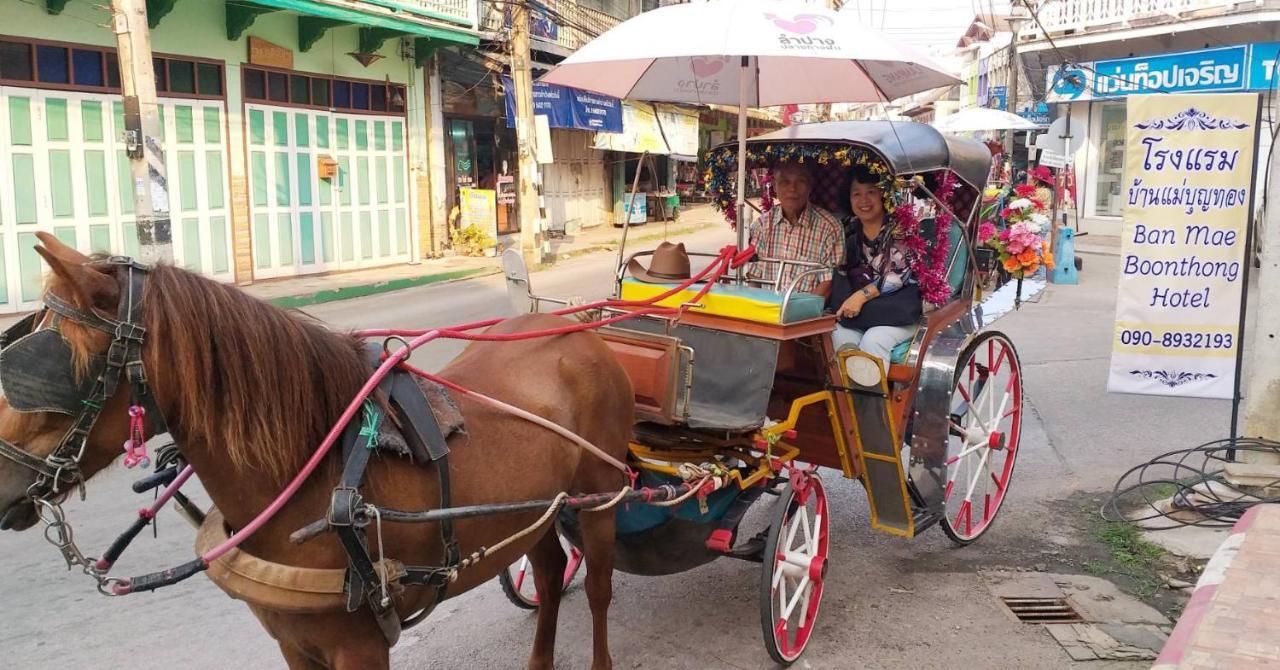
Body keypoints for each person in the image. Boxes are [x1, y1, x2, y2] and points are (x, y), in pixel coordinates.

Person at [830, 167, 923, 374]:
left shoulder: (902, 228)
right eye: (857, 193)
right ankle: (848, 404)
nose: (864, 200)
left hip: (898, 313)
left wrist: (861, 296)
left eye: (871, 191)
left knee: (874, 340)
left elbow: (897, 275)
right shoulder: (848, 228)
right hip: (861, 314)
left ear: (883, 194)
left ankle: (873, 406)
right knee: (839, 335)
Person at [745, 162, 844, 296]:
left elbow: (828, 284)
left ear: (810, 186)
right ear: (774, 186)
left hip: (809, 313)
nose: (792, 188)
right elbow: (753, 277)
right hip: (766, 310)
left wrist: (794, 313)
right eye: (785, 181)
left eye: (801, 181)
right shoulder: (762, 225)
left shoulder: (830, 227)